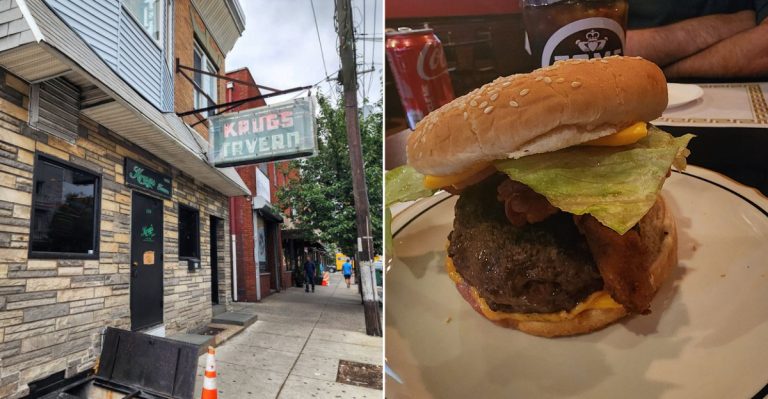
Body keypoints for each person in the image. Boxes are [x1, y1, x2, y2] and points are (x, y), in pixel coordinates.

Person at [625, 1, 768, 78]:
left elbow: (763, 48)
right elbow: (608, 49)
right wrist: (722, 26)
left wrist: (659, 71)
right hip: (630, 100)